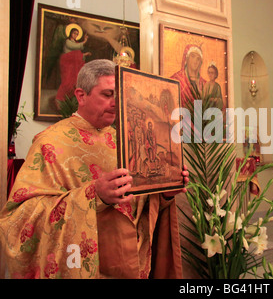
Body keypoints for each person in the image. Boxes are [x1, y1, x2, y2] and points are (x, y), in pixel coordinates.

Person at [0, 59, 188, 279]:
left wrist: (165, 192)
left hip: (132, 265)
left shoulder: (124, 139)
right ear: (81, 96)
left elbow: (139, 204)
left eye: (118, 96)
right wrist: (94, 195)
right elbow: (18, 219)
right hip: (85, 266)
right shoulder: (50, 143)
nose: (115, 103)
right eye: (107, 95)